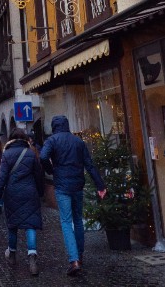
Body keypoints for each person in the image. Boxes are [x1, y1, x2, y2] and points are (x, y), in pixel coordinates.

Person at [40, 115, 106, 277]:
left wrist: (51, 170)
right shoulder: (78, 141)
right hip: (78, 186)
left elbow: (43, 157)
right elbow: (89, 164)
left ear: (54, 127)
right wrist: (100, 185)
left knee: (66, 222)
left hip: (62, 186)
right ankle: (80, 256)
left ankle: (74, 260)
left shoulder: (52, 140)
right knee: (78, 220)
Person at [0, 128, 44, 276]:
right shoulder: (31, 153)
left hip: (12, 193)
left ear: (11, 139)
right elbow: (38, 175)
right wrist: (40, 192)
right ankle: (32, 256)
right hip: (30, 193)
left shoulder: (7, 154)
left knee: (13, 225)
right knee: (30, 225)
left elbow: (2, 177)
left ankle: (12, 254)